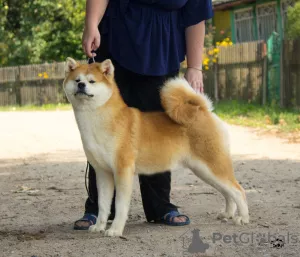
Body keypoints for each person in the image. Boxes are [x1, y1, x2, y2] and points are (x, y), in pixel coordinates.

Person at [74, 0, 213, 230]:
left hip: (163, 48)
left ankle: (160, 206)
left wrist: (195, 66)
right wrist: (91, 24)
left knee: (157, 133)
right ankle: (99, 208)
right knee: (107, 131)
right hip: (116, 42)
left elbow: (196, 14)